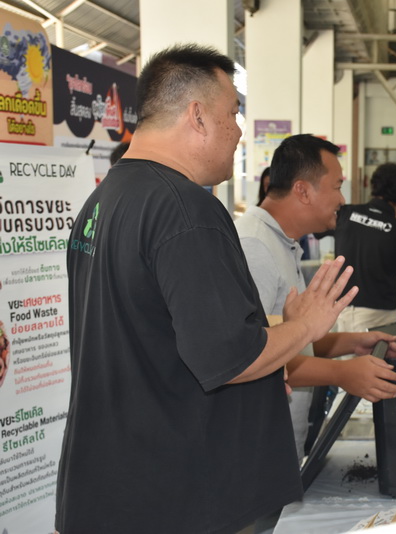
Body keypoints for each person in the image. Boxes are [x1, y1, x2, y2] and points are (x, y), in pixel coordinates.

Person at [55, 44, 360, 534]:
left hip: (118, 484)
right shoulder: (184, 209)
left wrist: (268, 367)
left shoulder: (104, 200)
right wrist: (305, 325)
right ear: (197, 116)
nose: (239, 131)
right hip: (181, 496)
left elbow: (161, 341)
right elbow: (232, 358)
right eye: (233, 113)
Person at [235, 134, 396, 461]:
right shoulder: (255, 247)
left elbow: (288, 338)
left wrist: (353, 343)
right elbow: (252, 359)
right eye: (337, 186)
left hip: (281, 438)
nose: (342, 199)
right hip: (258, 444)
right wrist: (342, 373)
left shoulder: (282, 242)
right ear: (302, 190)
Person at [333, 163, 396, 333]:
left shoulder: (345, 214)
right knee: (375, 352)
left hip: (341, 306)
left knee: (344, 350)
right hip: (379, 312)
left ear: (374, 185)